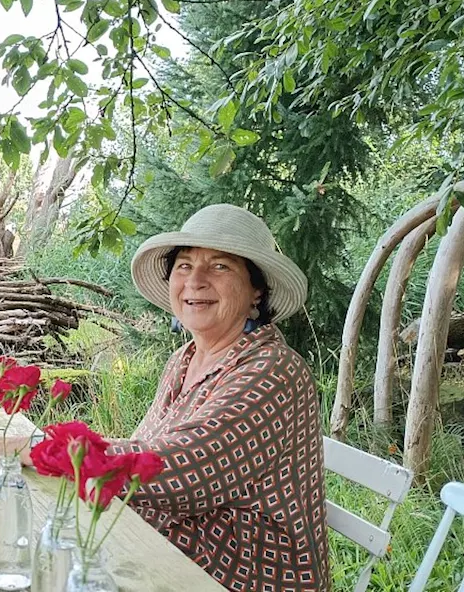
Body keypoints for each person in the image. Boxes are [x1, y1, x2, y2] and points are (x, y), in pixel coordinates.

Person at [112, 203, 329, 591]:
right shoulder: (184, 358)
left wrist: (63, 452)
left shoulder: (274, 370)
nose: (195, 280)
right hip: (176, 553)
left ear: (256, 293)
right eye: (184, 265)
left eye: (220, 266)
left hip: (248, 574)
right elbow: (149, 447)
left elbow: (185, 467)